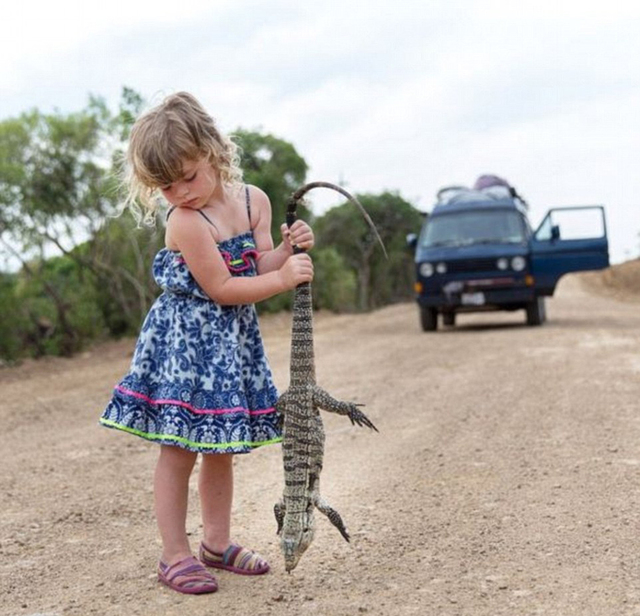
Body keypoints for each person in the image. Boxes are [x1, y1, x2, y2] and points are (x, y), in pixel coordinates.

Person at [99, 92, 314, 595]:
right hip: (186, 347)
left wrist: (286, 250)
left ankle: (217, 544)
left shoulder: (253, 201)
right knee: (179, 448)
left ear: (213, 151)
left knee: (221, 447)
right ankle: (174, 555)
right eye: (165, 186)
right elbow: (222, 287)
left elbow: (254, 266)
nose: (180, 192)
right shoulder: (186, 222)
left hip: (230, 346)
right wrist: (283, 281)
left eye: (188, 176)